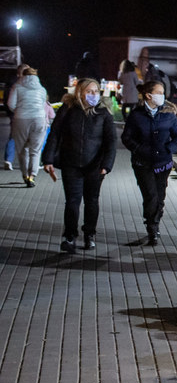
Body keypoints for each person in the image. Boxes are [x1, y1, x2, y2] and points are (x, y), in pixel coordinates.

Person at [42, 78, 117, 253]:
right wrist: (48, 159)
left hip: (95, 166)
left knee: (92, 201)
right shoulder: (67, 110)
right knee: (72, 202)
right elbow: (54, 135)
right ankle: (70, 236)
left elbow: (111, 142)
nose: (93, 95)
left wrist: (107, 164)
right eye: (89, 91)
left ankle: (89, 234)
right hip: (71, 164)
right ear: (79, 92)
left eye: (96, 92)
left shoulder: (103, 113)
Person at [121, 80, 177, 245]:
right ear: (149, 95)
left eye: (163, 93)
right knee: (150, 195)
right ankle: (152, 227)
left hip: (163, 163)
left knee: (160, 196)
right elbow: (126, 138)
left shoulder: (168, 114)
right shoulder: (136, 115)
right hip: (143, 164)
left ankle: (155, 221)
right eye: (159, 93)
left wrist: (169, 148)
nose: (162, 96)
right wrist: (139, 149)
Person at [8, 65, 50, 187]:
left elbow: (11, 104)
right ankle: (32, 176)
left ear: (23, 75)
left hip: (21, 119)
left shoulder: (16, 86)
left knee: (22, 150)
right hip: (39, 119)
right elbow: (43, 104)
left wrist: (19, 111)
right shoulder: (42, 89)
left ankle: (25, 175)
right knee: (35, 150)